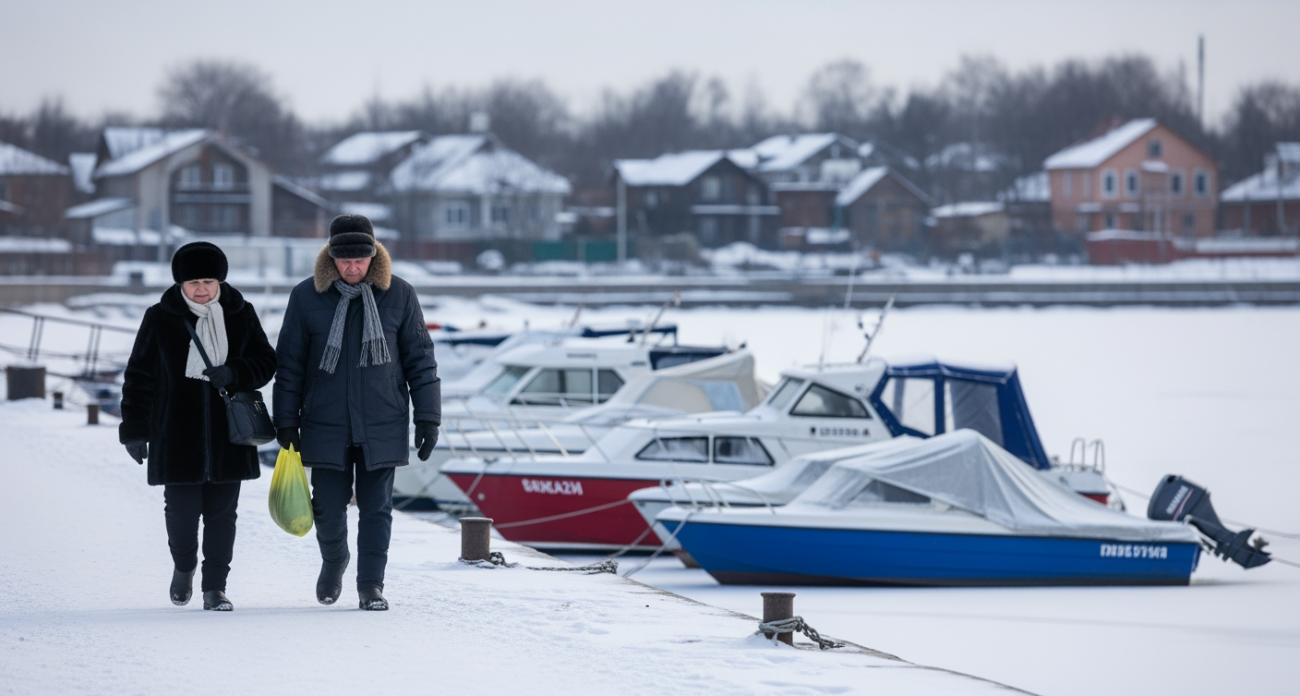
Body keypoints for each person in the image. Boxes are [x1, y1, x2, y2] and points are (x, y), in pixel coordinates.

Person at [273, 215, 440, 611]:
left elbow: (421, 361)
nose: (352, 267)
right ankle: (334, 561)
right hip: (324, 421)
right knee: (327, 507)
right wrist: (285, 419)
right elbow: (290, 364)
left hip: (382, 420)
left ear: (373, 255)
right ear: (330, 257)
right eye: (343, 260)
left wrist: (428, 418)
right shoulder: (306, 297)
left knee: (377, 508)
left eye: (360, 259)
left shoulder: (399, 295)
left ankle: (371, 586)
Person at [119, 242, 276, 611]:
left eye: (208, 280)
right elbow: (139, 375)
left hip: (230, 436)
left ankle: (215, 588)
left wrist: (235, 372)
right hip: (175, 435)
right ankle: (184, 565)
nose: (201, 288)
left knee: (223, 516)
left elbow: (266, 361)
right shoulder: (159, 317)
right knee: (181, 514)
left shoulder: (241, 313)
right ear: (180, 284)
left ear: (219, 280)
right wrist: (136, 430)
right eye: (193, 282)